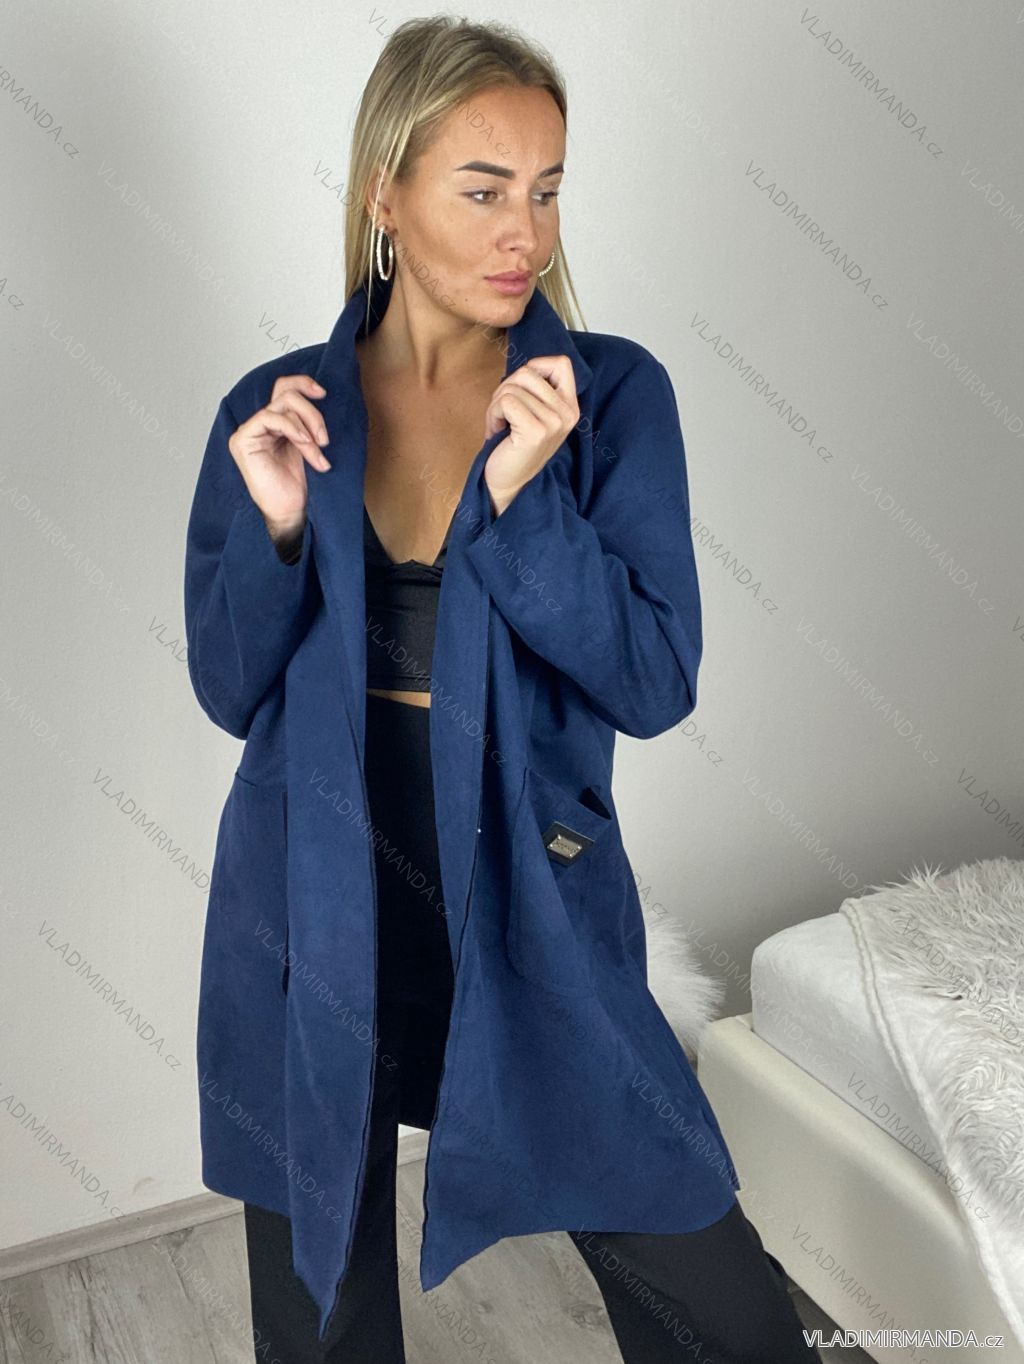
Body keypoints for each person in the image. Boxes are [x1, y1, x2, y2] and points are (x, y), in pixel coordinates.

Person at [185, 15, 823, 1363]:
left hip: (529, 889)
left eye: (545, 190)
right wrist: (277, 527)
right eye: (482, 190)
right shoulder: (276, 407)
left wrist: (530, 506)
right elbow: (228, 687)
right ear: (386, 195)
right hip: (307, 898)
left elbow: (655, 679)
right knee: (318, 1304)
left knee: (711, 1293)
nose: (521, 231)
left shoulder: (607, 398)